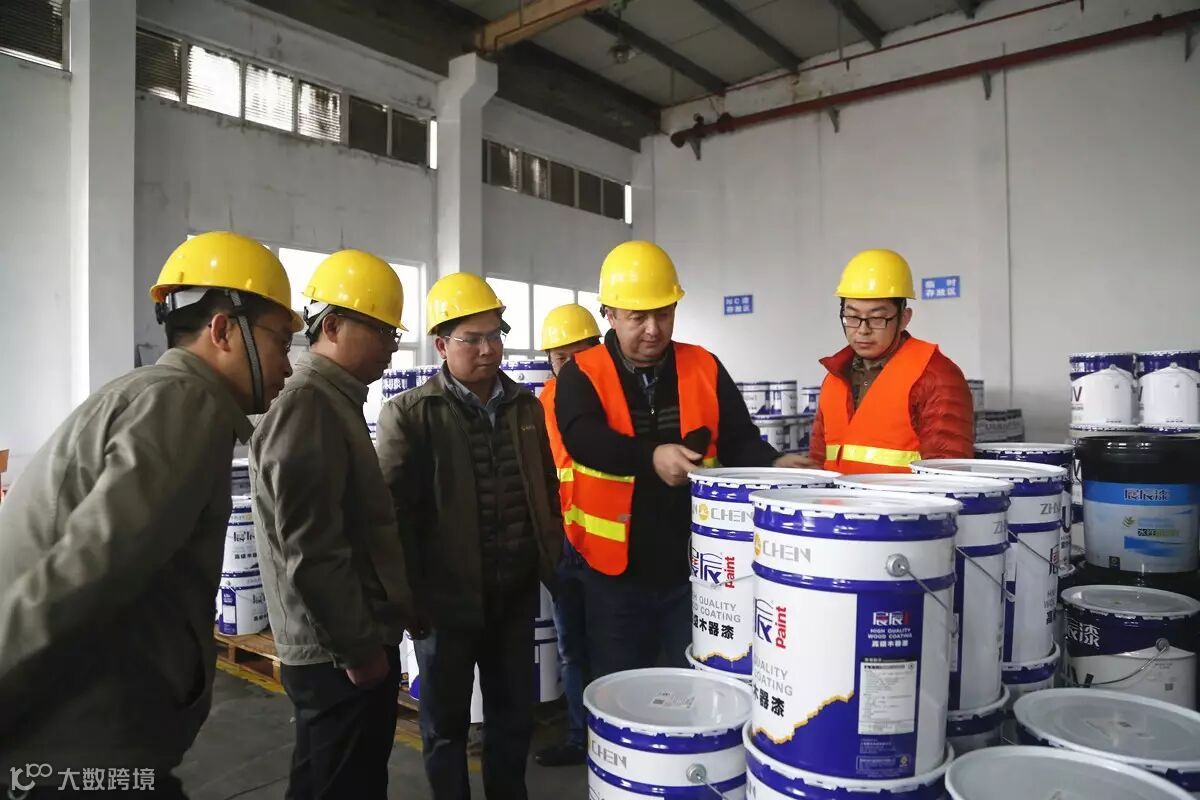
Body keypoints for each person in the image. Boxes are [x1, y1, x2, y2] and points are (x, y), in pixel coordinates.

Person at [0, 232, 299, 798]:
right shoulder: (184, 403)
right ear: (223, 331)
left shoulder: (156, 394)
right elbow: (83, 575)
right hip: (72, 747)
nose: (289, 364)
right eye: (281, 342)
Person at [553, 241, 808, 679]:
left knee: (689, 682)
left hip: (694, 567)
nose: (653, 329)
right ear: (609, 314)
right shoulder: (582, 372)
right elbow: (583, 439)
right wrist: (650, 456)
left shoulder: (704, 365)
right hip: (613, 573)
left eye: (664, 314)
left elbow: (738, 438)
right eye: (638, 317)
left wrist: (774, 462)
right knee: (621, 685)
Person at [376, 272, 563, 800]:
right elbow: (391, 516)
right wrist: (409, 597)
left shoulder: (525, 407)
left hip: (513, 596)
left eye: (494, 336)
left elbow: (545, 487)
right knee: (445, 726)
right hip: (445, 605)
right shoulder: (411, 414)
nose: (488, 350)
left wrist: (549, 558)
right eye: (472, 339)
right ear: (441, 345)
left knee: (512, 719)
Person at [250, 250, 416, 799]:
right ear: (335, 325)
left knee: (328, 780)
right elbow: (313, 550)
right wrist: (359, 651)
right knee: (346, 785)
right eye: (383, 330)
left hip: (344, 643)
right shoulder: (308, 405)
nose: (392, 346)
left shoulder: (332, 401)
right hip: (336, 655)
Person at [808, 248, 974, 474]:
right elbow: (818, 464)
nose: (862, 330)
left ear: (904, 318)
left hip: (903, 499)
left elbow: (947, 474)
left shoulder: (936, 377)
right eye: (852, 317)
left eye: (877, 318)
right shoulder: (834, 377)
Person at [532, 304, 601, 768]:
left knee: (614, 645)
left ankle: (617, 734)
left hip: (612, 546)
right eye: (561, 358)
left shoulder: (614, 398)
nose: (571, 366)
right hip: (564, 545)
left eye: (580, 355)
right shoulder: (543, 403)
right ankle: (580, 737)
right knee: (572, 646)